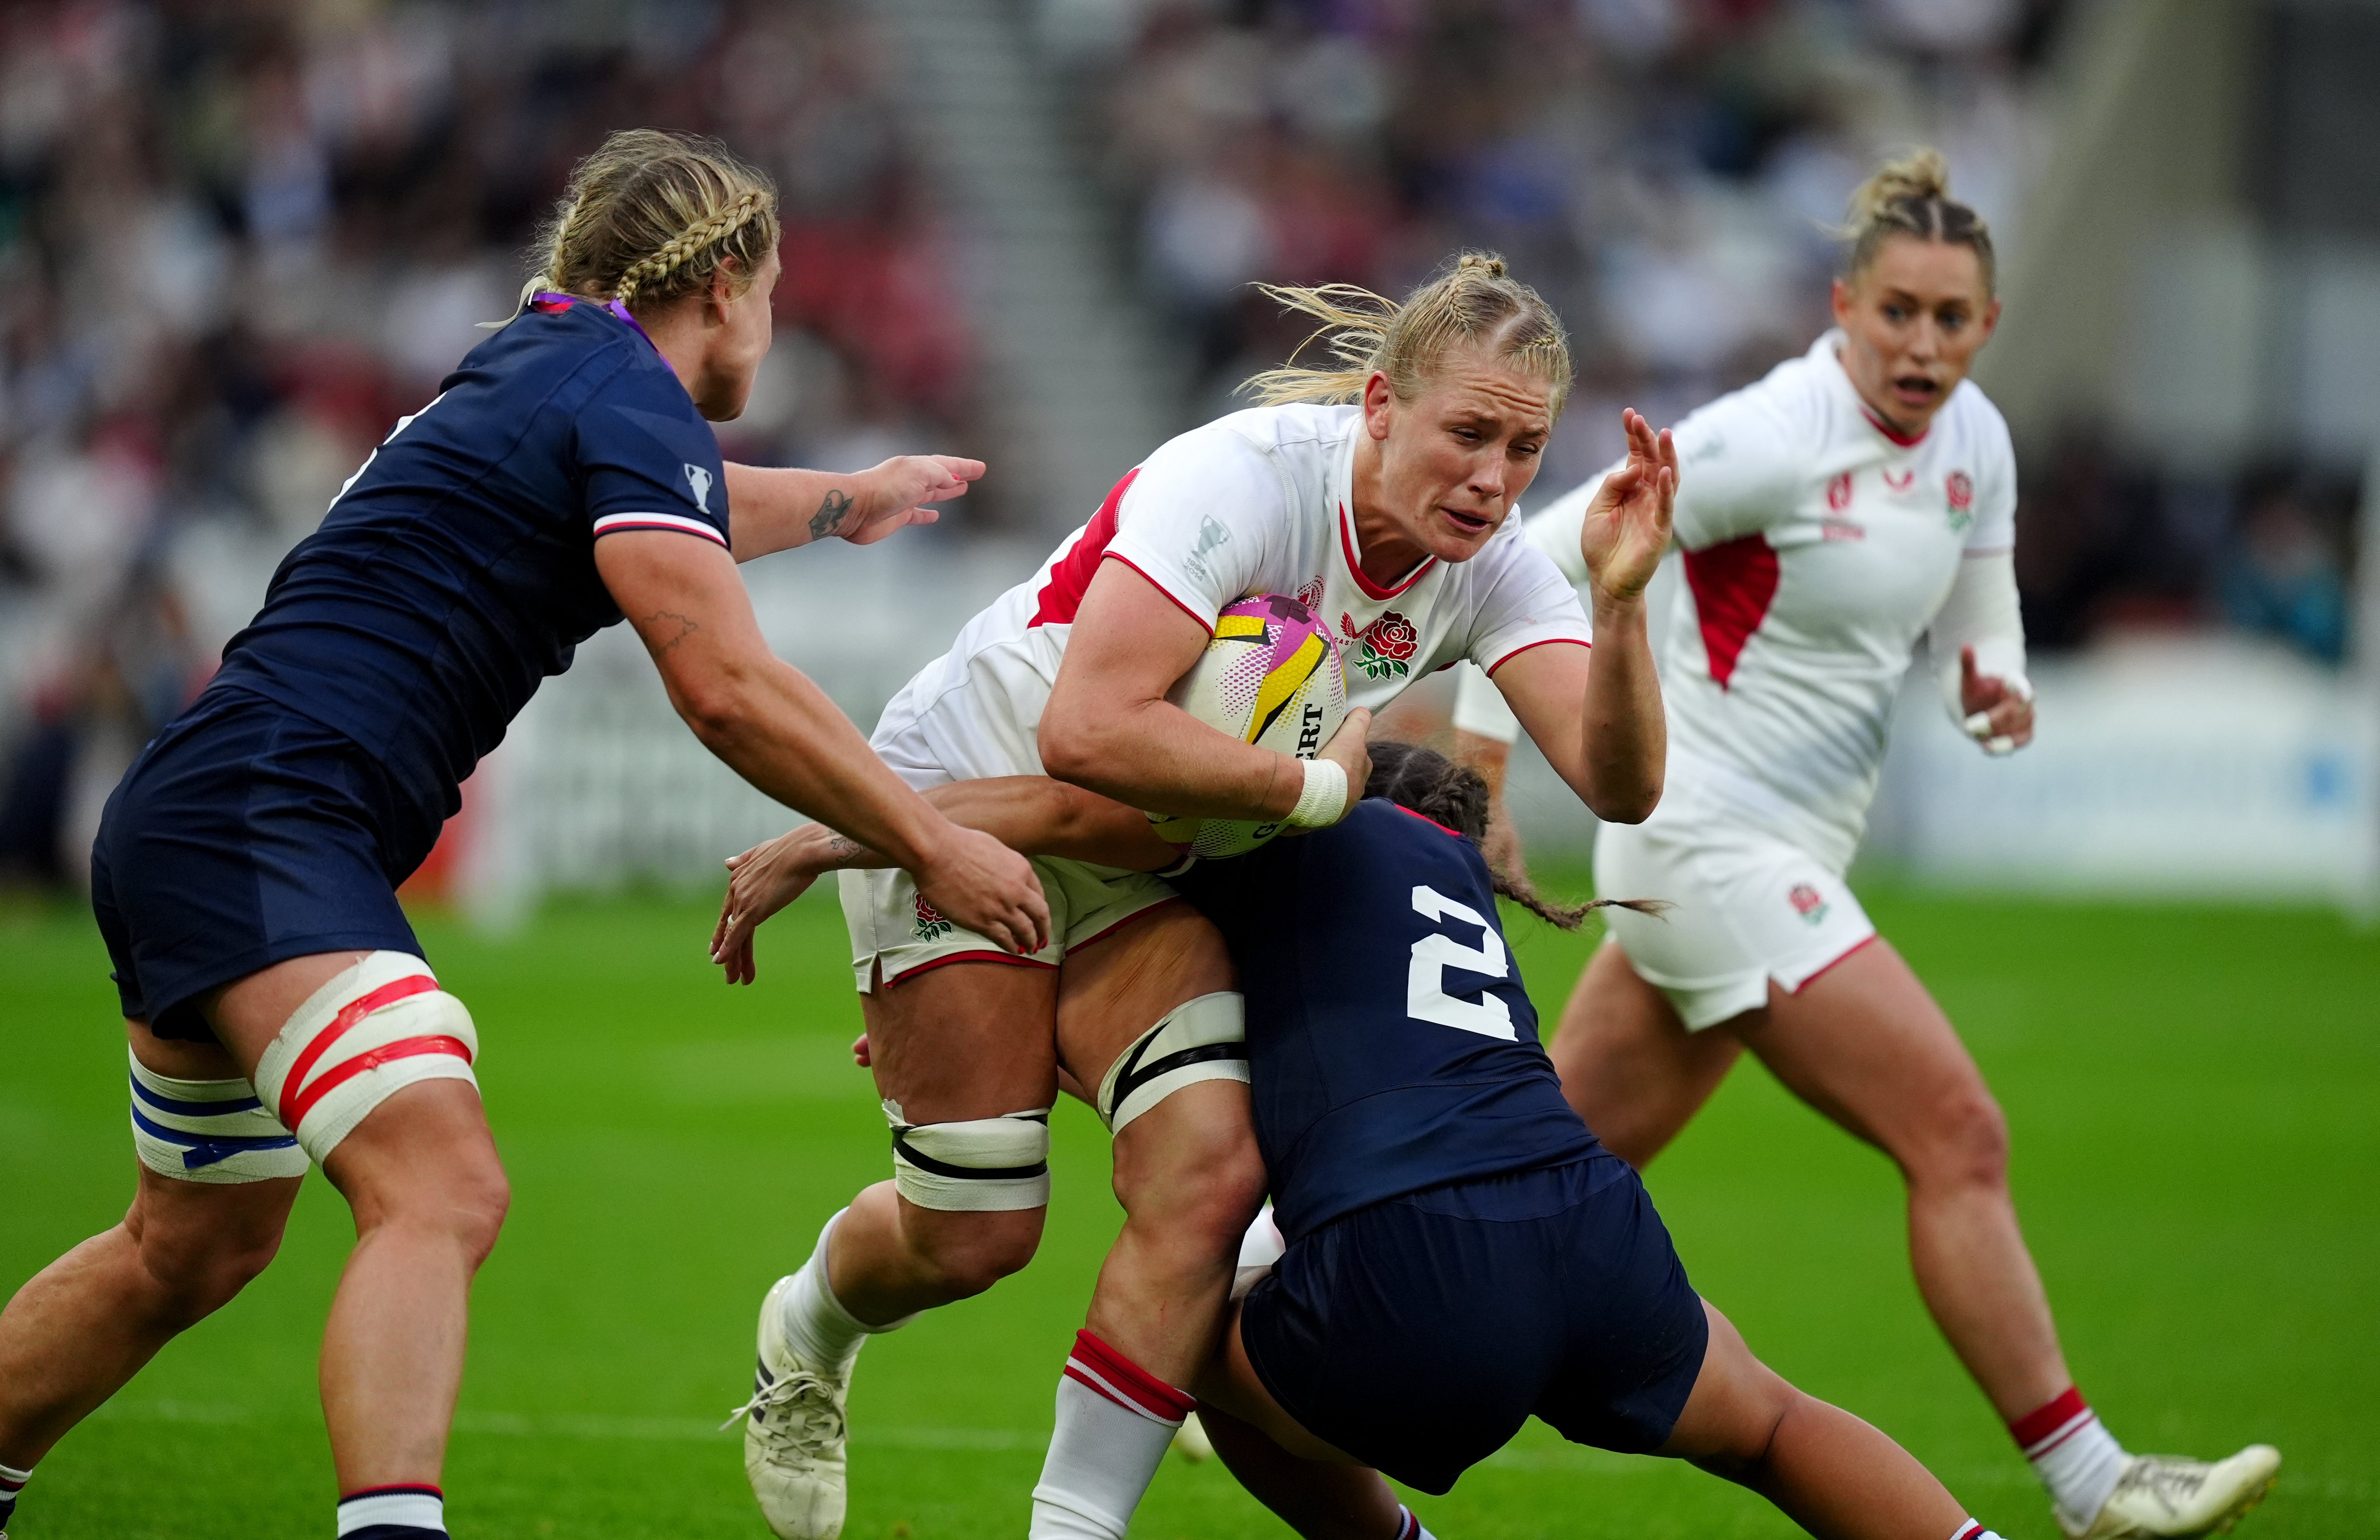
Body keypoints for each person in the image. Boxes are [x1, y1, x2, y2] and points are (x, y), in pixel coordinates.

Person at [0, 129, 1047, 1540]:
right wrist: (930, 840)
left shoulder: (545, 363)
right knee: (439, 1181)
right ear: (727, 282)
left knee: (186, 1250)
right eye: (777, 289)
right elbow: (728, 689)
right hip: (270, 816)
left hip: (207, 812)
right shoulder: (626, 391)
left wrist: (852, 500)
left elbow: (686, 509)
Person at [711, 254, 1676, 1540]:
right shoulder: (1245, 483)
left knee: (1210, 1174)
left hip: (1150, 857)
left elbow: (1620, 785)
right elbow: (1084, 736)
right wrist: (1317, 791)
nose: (1495, 478)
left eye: (1524, 447)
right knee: (975, 1232)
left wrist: (1620, 609)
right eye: (1468, 433)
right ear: (1381, 407)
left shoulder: (1489, 563)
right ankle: (808, 1327)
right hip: (961, 804)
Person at [1448, 150, 2279, 1540]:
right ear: (1843, 306)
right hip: (1704, 840)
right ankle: (2099, 1486)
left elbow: (1978, 589)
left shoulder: (1978, 445)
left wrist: (1992, 676)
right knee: (1957, 1130)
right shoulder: (1775, 433)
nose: (1922, 343)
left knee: (1536, 1169)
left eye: (1952, 319)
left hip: (1777, 863)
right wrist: (1482, 756)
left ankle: (1267, 1324)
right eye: (1897, 311)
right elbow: (1539, 545)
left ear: (1988, 327)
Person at [718, 742, 2029, 1540]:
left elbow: (1074, 830)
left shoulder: (1295, 827)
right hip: (1592, 1221)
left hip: (1420, 1268)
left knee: (1197, 1334)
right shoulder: (1452, 885)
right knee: (1771, 1428)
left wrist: (845, 855)